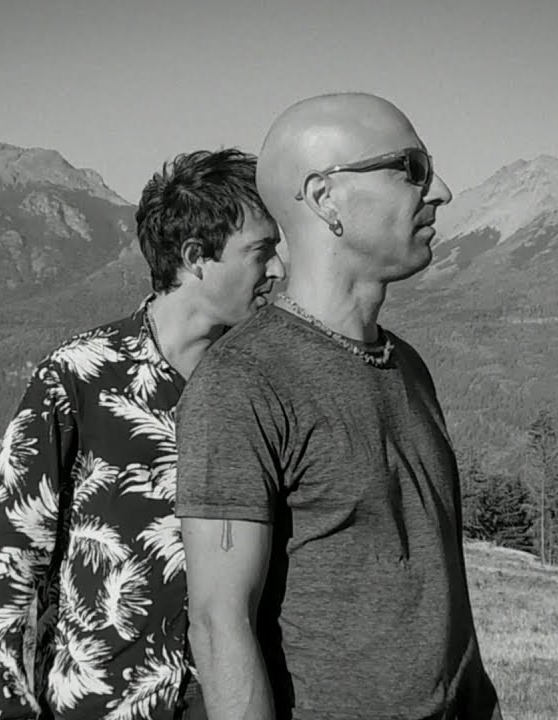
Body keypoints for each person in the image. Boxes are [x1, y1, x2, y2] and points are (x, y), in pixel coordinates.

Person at [175, 93, 502, 720]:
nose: (441, 192)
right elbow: (219, 625)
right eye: (412, 169)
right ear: (325, 198)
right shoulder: (242, 382)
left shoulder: (407, 366)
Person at [0, 148, 286, 720]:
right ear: (196, 257)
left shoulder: (264, 385)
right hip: (98, 704)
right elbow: (14, 559)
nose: (278, 270)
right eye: (261, 251)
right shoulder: (79, 377)